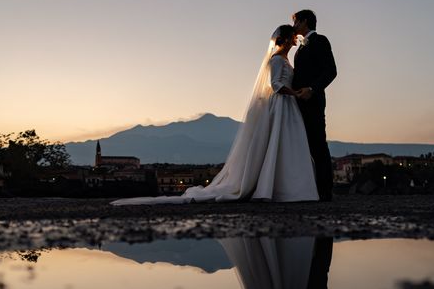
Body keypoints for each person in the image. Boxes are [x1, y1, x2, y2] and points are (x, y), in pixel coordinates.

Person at [111, 25, 318, 205]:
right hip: (282, 103)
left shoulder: (285, 59)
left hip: (288, 105)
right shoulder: (276, 60)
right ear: (288, 38)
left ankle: (289, 187)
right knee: (279, 143)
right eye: (293, 35)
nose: (296, 37)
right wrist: (296, 93)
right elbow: (275, 85)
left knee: (286, 144)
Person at [292, 9, 337, 202]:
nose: (294, 26)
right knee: (306, 146)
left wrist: (312, 89)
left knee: (318, 143)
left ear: (304, 22)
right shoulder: (301, 47)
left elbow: (331, 71)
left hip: (314, 101)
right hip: (298, 103)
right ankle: (309, 188)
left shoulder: (320, 41)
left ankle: (325, 190)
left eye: (295, 22)